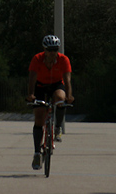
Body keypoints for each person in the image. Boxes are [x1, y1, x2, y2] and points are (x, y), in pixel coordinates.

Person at [27, 34, 74, 170]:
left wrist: (69, 96)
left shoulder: (63, 60)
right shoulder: (37, 59)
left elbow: (67, 79)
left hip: (56, 84)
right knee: (39, 117)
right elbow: (32, 78)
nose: (53, 53)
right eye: (50, 50)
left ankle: (58, 127)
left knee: (60, 98)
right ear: (44, 50)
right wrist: (31, 94)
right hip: (40, 86)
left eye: (55, 50)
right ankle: (37, 153)